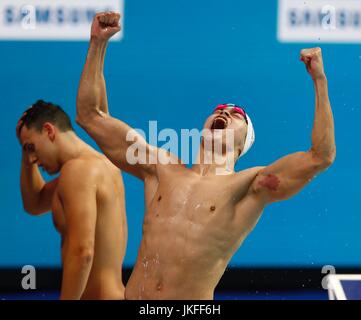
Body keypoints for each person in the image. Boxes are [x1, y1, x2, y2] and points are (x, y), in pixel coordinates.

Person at [76, 12, 336, 299]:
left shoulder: (250, 186)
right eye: (220, 108)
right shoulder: (160, 169)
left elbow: (320, 157)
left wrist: (319, 81)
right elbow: (91, 116)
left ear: (241, 147)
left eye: (236, 114)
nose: (224, 111)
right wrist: (97, 43)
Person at [17, 100, 127, 300]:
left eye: (31, 147)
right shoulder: (104, 166)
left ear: (49, 130)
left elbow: (82, 252)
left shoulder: (77, 171)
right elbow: (34, 203)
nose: (32, 158)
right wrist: (26, 156)